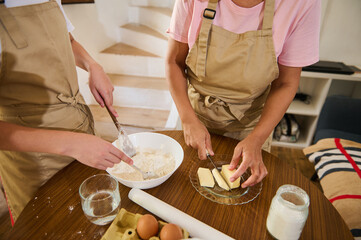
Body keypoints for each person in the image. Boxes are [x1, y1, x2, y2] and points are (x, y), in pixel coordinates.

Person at [0, 0, 133, 223]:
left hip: (79, 131)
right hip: (34, 160)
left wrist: (93, 66)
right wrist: (72, 144)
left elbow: (66, 39)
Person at [166, 0, 320, 188]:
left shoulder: (301, 4)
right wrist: (188, 120)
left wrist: (257, 138)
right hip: (193, 115)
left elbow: (286, 83)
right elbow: (174, 62)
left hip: (251, 127)